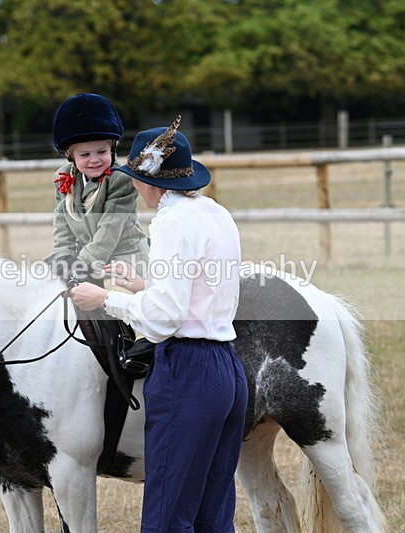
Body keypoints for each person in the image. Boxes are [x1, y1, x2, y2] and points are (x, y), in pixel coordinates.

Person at [69, 116, 248, 532]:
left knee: (168, 516)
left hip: (189, 372)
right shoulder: (214, 212)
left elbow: (165, 319)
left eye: (135, 177)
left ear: (151, 182)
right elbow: (205, 288)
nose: (133, 186)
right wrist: (147, 284)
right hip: (227, 369)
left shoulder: (169, 221)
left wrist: (107, 298)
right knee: (213, 514)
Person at [46, 93, 149, 285]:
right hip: (82, 258)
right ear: (70, 156)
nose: (94, 160)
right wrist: (63, 259)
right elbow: (62, 226)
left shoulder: (121, 180)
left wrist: (80, 266)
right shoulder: (62, 177)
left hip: (123, 259)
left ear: (112, 149)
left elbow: (109, 231)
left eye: (102, 152)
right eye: (85, 154)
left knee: (115, 293)